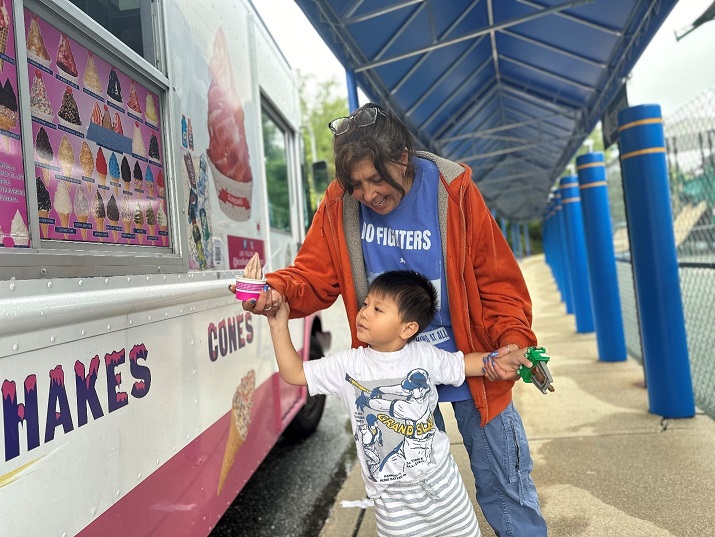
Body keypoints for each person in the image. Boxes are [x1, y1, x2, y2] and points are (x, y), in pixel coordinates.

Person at [232, 102, 548, 535]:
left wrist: (513, 339)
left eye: (376, 179)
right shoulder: (340, 204)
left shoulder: (452, 190)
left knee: (506, 487)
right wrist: (276, 292)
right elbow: (312, 275)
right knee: (412, 492)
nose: (367, 194)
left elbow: (496, 280)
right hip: (393, 375)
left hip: (468, 357)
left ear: (402, 158)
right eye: (356, 184)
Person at [266, 270, 534, 537]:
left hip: (442, 486)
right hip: (392, 502)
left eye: (378, 309)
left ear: (408, 328)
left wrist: (502, 359)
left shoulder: (425, 357)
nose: (364, 313)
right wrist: (279, 325)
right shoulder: (348, 365)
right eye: (366, 304)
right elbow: (296, 373)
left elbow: (465, 364)